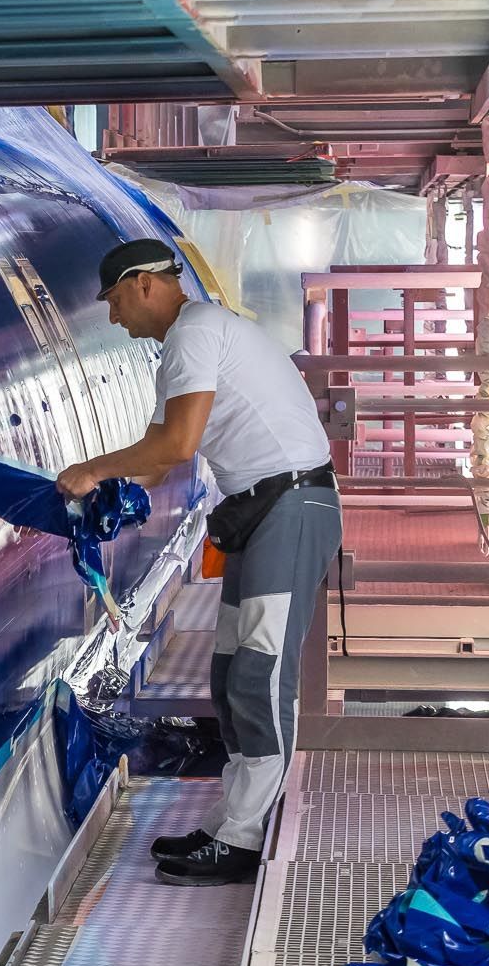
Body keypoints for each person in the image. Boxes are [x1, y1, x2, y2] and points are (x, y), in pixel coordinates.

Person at [56, 239, 342, 886]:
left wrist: (92, 469)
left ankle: (243, 840)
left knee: (259, 676)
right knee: (227, 677)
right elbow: (160, 454)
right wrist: (110, 493)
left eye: (115, 300)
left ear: (144, 284)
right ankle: (228, 825)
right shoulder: (188, 345)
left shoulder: (195, 331)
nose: (113, 317)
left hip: (291, 507)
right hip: (263, 510)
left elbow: (179, 445)